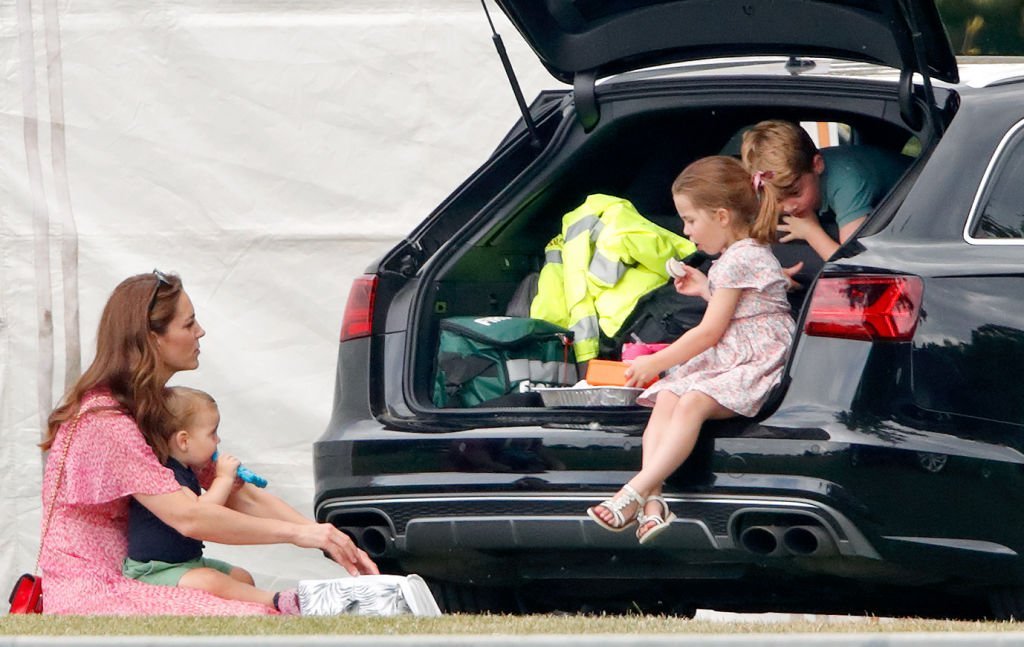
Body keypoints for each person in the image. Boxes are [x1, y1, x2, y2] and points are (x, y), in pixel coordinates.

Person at [39, 270, 378, 615]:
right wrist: (298, 534)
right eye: (188, 325)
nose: (200, 331)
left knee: (245, 590)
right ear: (152, 338)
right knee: (256, 614)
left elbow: (237, 492)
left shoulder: (155, 409)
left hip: (141, 577)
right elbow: (189, 518)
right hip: (94, 586)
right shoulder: (105, 422)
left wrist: (324, 535)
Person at [586, 157, 795, 545]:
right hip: (736, 351)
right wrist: (704, 289)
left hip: (755, 359)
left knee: (692, 401)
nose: (686, 231)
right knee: (667, 396)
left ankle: (632, 492)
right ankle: (653, 506)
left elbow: (709, 332)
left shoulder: (740, 258)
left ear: (721, 216)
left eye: (690, 220)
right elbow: (739, 305)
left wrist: (656, 361)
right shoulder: (738, 257)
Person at [121, 386, 301, 614]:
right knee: (211, 581)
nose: (218, 440)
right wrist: (223, 479)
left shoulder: (188, 470)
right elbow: (201, 513)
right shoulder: (166, 473)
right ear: (184, 441)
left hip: (189, 563)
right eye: (212, 433)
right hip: (154, 571)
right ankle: (277, 601)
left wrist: (227, 485)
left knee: (241, 577)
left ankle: (247, 607)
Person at [740, 119, 913, 261]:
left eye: (795, 193)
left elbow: (855, 261)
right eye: (777, 200)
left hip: (923, 199)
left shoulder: (847, 181)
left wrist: (811, 231)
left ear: (817, 165)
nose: (788, 207)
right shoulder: (770, 183)